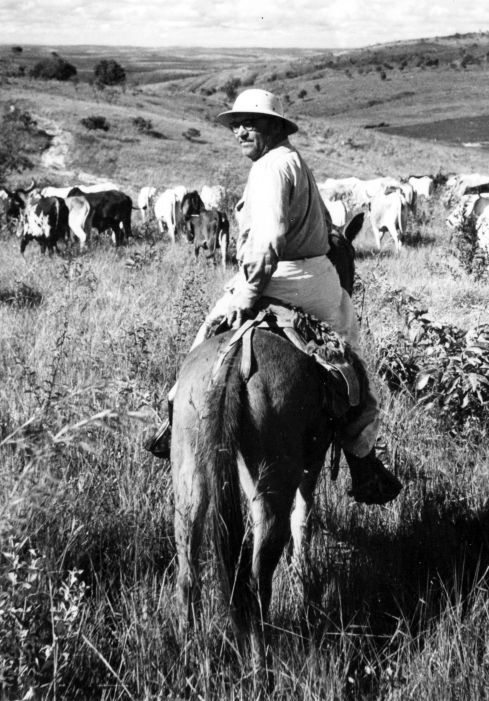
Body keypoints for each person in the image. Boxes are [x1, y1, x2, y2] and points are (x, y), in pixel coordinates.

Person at [151, 89, 401, 505]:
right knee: (349, 362)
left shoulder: (269, 167)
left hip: (274, 276)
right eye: (236, 124)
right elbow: (320, 224)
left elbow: (268, 240)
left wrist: (248, 293)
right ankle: (364, 459)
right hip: (316, 278)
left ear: (274, 127)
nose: (240, 131)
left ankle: (175, 416)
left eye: (250, 123)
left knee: (208, 332)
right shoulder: (294, 160)